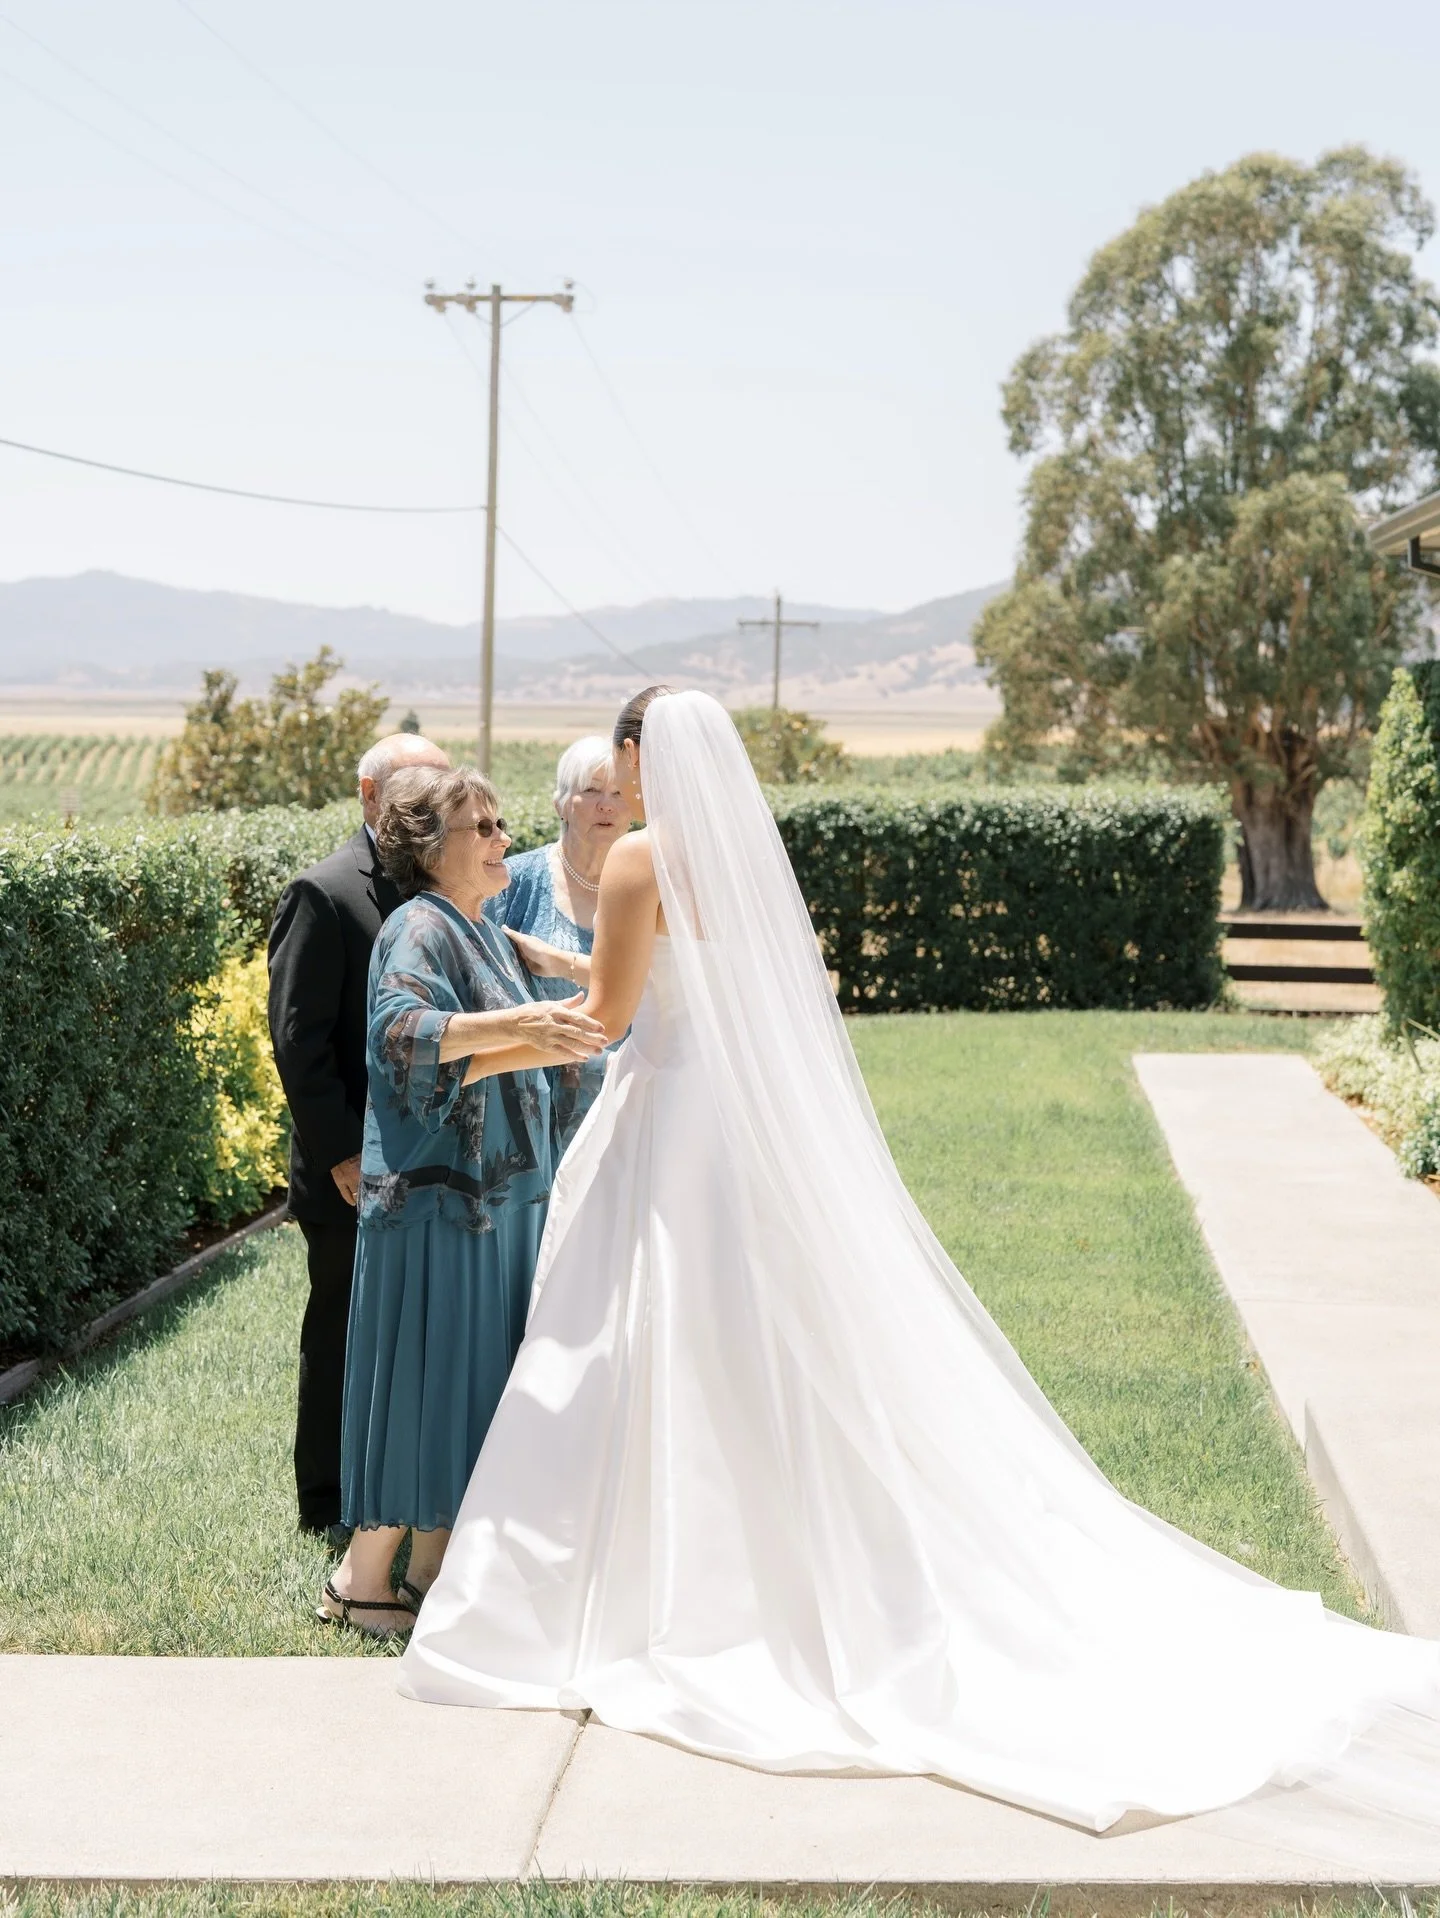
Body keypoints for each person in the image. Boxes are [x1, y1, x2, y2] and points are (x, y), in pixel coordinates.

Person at [401, 689, 1440, 1841]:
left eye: (626, 753)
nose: (622, 777)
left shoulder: (642, 854)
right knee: (741, 1343)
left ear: (646, 756)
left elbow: (606, 1015)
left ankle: (625, 1584)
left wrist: (474, 1044)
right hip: (735, 1138)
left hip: (662, 1128)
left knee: (633, 1344)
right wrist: (530, 954)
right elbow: (673, 974)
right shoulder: (743, 857)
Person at [318, 764, 605, 1637]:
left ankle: (432, 1573)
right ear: (428, 846)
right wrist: (526, 1027)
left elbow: (492, 1058)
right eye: (481, 828)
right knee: (420, 1388)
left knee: (474, 1389)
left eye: (499, 824)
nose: (501, 841)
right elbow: (400, 1036)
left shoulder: (479, 927)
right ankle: (361, 1582)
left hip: (501, 1203)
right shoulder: (417, 926)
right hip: (438, 1211)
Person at [267, 730, 450, 1546]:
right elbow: (299, 1041)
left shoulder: (433, 888)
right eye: (418, 787)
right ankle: (327, 1499)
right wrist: (345, 1151)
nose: (435, 801)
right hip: (349, 1167)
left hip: (426, 1160)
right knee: (341, 1325)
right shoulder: (324, 891)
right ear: (370, 797)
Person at [486, 736, 627, 1142]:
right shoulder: (514, 881)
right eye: (591, 790)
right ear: (561, 803)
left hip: (627, 1106)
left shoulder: (650, 888)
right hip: (530, 1111)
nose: (607, 804)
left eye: (619, 792)